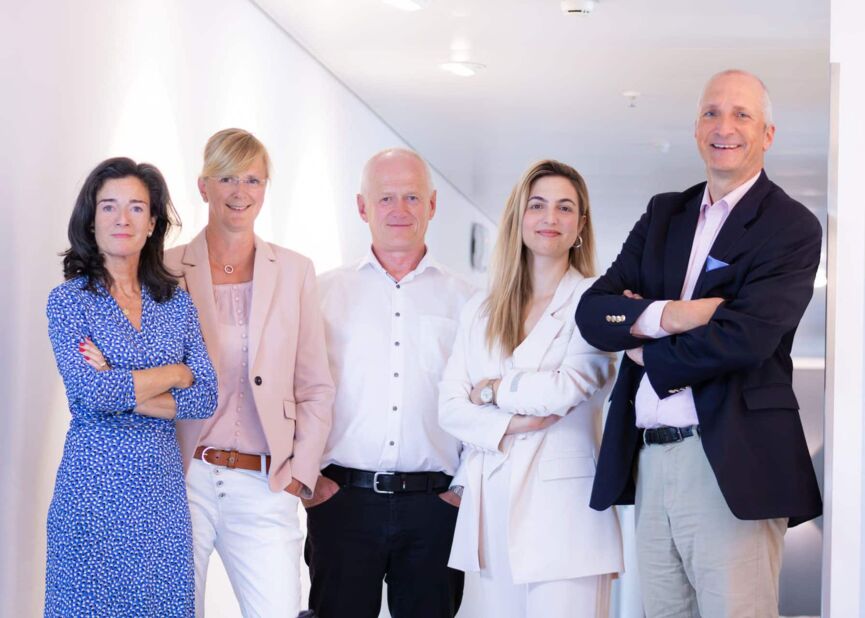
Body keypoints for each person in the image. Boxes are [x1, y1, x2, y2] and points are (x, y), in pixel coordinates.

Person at [575, 70, 823, 618]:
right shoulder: (666, 213)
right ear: (695, 129)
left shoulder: (791, 226)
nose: (724, 127)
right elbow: (594, 312)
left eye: (741, 115)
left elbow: (744, 339)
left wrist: (641, 341)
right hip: (650, 456)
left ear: (768, 134)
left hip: (731, 463)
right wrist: (675, 315)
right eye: (712, 113)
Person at [438, 159, 623, 617]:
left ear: (580, 225)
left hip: (565, 517)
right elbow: (449, 408)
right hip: (490, 509)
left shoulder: (595, 300)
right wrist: (516, 421)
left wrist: (492, 391)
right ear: (518, 217)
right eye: (537, 205)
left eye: (565, 208)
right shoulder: (481, 308)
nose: (549, 218)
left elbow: (568, 388)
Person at [164, 128, 335, 617]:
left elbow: (315, 384)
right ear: (203, 187)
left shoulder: (296, 271)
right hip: (185, 474)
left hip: (264, 481)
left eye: (253, 180)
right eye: (227, 178)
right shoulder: (167, 268)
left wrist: (300, 473)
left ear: (265, 188)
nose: (240, 192)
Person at [44, 157, 217, 617]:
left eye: (137, 208)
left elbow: (205, 395)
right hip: (92, 494)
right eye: (109, 206)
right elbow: (91, 395)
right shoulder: (69, 301)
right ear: (91, 218)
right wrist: (175, 373)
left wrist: (122, 385)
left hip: (161, 497)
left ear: (152, 222)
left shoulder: (175, 301)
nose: (122, 219)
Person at [306, 148, 474, 618]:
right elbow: (294, 393)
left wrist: (462, 492)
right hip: (342, 504)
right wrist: (308, 482)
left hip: (435, 508)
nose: (399, 210)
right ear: (362, 207)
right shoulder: (321, 295)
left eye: (412, 197)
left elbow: (484, 403)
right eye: (385, 198)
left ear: (433, 205)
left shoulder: (469, 302)